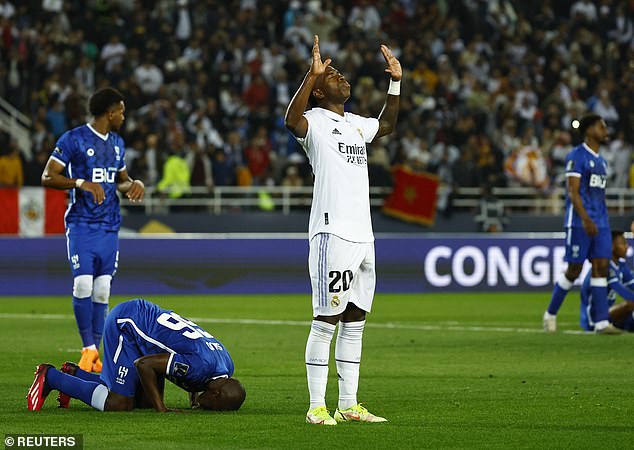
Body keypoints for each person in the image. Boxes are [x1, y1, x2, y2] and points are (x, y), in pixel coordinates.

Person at [285, 35, 400, 425]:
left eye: (340, 73)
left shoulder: (354, 124)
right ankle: (317, 406)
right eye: (333, 76)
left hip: (364, 236)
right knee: (326, 320)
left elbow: (386, 125)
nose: (342, 78)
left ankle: (348, 404)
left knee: (355, 320)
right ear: (318, 92)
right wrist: (310, 75)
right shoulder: (314, 122)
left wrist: (395, 82)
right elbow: (290, 121)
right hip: (332, 234)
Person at [41, 88, 145, 372]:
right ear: (110, 113)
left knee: (102, 289)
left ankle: (95, 354)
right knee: (83, 284)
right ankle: (87, 348)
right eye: (121, 111)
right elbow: (48, 176)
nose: (123, 116)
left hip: (109, 226)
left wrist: (133, 183)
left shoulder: (117, 144)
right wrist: (79, 183)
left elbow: (119, 181)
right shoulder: (74, 139)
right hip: (82, 224)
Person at [27, 298, 246, 412]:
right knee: (119, 404)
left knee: (143, 402)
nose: (209, 409)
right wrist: (162, 409)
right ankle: (51, 376)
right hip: (128, 325)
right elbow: (145, 364)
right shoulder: (201, 367)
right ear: (215, 394)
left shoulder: (225, 366)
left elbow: (192, 370)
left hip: (146, 327)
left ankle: (75, 374)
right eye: (215, 408)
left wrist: (192, 396)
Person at [543, 114, 619, 334]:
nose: (605, 130)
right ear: (588, 131)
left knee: (601, 267)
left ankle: (602, 322)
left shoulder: (602, 161)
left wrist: (600, 218)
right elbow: (573, 192)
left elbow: (598, 195)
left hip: (601, 222)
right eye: (601, 127)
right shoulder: (576, 156)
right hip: (579, 221)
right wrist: (586, 219)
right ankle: (550, 313)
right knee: (574, 270)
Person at [580, 231, 634, 332]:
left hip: (610, 313)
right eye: (623, 244)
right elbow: (618, 288)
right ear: (612, 246)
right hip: (595, 318)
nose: (627, 247)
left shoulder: (621, 265)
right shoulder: (604, 266)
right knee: (629, 304)